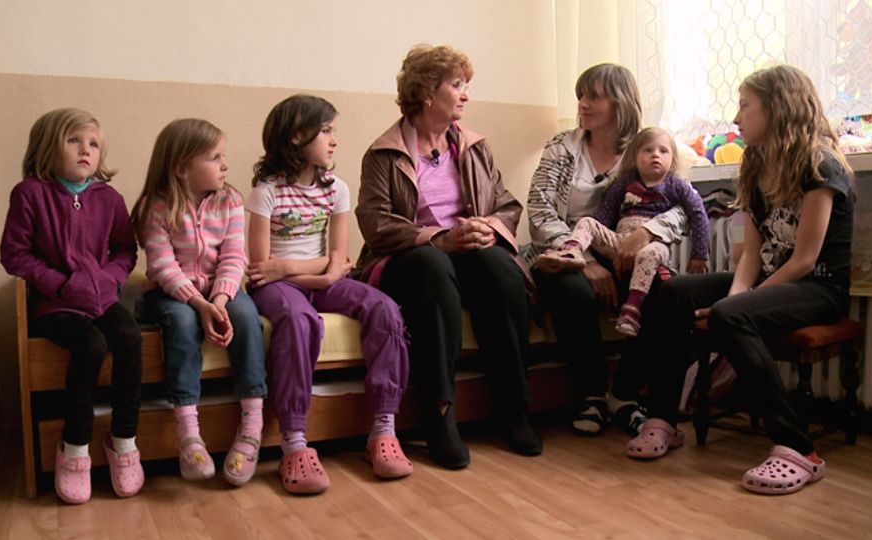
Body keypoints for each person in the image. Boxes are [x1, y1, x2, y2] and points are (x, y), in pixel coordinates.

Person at [626, 65, 855, 496]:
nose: (736, 117)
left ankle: (799, 449)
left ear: (778, 108)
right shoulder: (756, 163)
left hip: (818, 288)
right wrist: (735, 296)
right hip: (772, 277)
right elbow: (751, 252)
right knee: (673, 291)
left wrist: (734, 306)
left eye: (745, 106)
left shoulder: (820, 165)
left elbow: (805, 259)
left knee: (732, 315)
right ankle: (662, 418)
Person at [355, 44, 541, 469]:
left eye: (466, 85)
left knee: (499, 267)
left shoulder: (474, 147)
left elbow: (506, 205)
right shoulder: (383, 153)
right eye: (457, 85)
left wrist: (486, 227)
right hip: (409, 259)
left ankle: (514, 407)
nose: (466, 94)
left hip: (464, 252)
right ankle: (439, 413)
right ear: (426, 93)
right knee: (433, 265)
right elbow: (376, 223)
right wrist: (438, 238)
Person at [247, 95, 412, 494]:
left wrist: (296, 269)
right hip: (278, 288)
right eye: (325, 131)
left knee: (385, 308)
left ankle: (383, 428)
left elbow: (339, 257)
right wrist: (311, 273)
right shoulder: (266, 191)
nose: (334, 140)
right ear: (296, 137)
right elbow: (261, 267)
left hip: (314, 277)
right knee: (298, 319)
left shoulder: (337, 189)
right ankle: (294, 443)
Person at [525, 64, 688, 437]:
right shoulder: (562, 148)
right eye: (581, 95)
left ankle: (625, 394)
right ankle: (592, 395)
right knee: (573, 292)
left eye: (593, 96)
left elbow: (682, 206)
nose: (583, 103)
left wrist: (647, 231)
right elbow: (539, 211)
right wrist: (582, 261)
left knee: (663, 292)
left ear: (620, 102)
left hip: (622, 249)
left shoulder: (646, 148)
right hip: (563, 249)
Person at [0, 108, 143, 504]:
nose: (86, 150)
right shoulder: (30, 193)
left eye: (93, 144)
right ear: (48, 147)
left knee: (130, 337)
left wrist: (111, 279)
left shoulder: (109, 198)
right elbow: (15, 255)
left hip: (102, 298)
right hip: (55, 304)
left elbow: (125, 250)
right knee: (91, 345)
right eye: (74, 140)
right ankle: (74, 447)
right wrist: (62, 284)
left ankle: (124, 440)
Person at [131, 118, 267, 486]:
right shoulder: (156, 206)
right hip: (171, 292)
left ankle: (251, 426)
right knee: (182, 321)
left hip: (219, 290)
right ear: (181, 167)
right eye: (214, 158)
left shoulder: (231, 201)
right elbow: (162, 266)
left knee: (245, 316)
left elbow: (234, 257)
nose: (225, 165)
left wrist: (219, 300)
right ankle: (189, 433)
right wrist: (199, 304)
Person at [536, 127, 709, 337]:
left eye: (663, 151)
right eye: (648, 150)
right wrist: (596, 243)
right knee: (587, 222)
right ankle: (571, 251)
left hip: (653, 245)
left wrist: (699, 254)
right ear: (634, 156)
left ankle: (632, 308)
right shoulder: (626, 182)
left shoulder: (676, 184)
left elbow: (698, 213)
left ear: (673, 159)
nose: (655, 155)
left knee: (649, 256)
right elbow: (605, 212)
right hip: (619, 241)